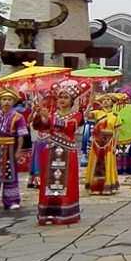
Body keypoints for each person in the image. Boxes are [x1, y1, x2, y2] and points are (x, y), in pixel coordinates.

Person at [32, 83, 85, 224]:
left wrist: (48, 116)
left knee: (67, 182)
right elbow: (41, 127)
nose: (62, 100)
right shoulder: (52, 113)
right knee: (49, 181)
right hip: (51, 151)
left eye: (65, 97)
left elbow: (69, 127)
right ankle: (48, 213)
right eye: (60, 97)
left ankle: (65, 214)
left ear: (71, 100)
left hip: (68, 152)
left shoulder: (77, 115)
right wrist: (40, 114)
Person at [86, 93, 120, 195]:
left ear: (112, 102)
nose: (105, 101)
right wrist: (89, 105)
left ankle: (107, 186)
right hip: (97, 142)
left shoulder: (115, 116)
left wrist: (115, 146)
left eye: (108, 99)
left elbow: (117, 132)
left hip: (109, 142)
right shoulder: (97, 113)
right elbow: (87, 115)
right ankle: (95, 187)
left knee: (107, 163)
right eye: (103, 100)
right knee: (96, 163)